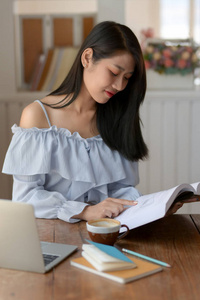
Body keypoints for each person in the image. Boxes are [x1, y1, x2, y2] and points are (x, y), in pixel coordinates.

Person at [2, 21, 194, 223]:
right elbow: (26, 197)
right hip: (53, 236)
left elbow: (123, 190)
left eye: (127, 77)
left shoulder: (118, 117)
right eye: (113, 72)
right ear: (87, 58)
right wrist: (85, 211)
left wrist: (153, 207)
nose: (120, 85)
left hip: (106, 234)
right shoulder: (38, 116)